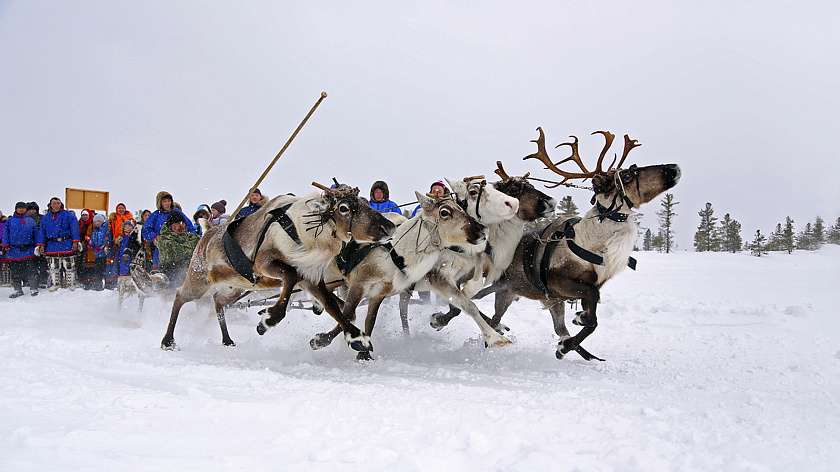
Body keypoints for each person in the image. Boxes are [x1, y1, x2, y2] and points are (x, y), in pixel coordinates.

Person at [135, 211, 200, 292]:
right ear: (170, 226)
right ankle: (151, 281)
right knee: (167, 277)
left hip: (191, 272)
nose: (181, 225)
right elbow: (176, 255)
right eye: (177, 223)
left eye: (183, 223)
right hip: (172, 271)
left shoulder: (193, 238)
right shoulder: (164, 239)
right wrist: (192, 249)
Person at [35, 197, 81, 291]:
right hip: (52, 245)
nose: (56, 205)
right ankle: (56, 284)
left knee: (69, 265)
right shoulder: (46, 217)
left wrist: (75, 241)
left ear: (61, 204)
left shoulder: (68, 215)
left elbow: (74, 229)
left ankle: (70, 284)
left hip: (67, 243)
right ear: (50, 205)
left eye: (57, 203)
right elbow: (42, 232)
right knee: (53, 266)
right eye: (54, 203)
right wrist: (41, 245)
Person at [141, 191, 195, 269]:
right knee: (159, 275)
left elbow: (191, 229)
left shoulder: (177, 213)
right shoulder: (155, 215)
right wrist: (155, 237)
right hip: (162, 252)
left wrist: (188, 240)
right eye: (164, 201)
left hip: (179, 251)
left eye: (169, 201)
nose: (167, 203)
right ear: (160, 203)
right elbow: (146, 230)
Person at [2, 202, 39, 297]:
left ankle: (33, 288)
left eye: (23, 208)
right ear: (16, 209)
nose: (21, 209)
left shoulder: (31, 221)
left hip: (28, 250)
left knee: (31, 271)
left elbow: (36, 235)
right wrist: (5, 245)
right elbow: (6, 234)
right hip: (13, 251)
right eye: (19, 208)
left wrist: (38, 246)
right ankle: (18, 290)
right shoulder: (10, 221)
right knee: (15, 272)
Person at [106, 203, 134, 288]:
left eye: (122, 208)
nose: (121, 210)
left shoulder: (130, 218)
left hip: (128, 244)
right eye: (119, 208)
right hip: (117, 244)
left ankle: (129, 280)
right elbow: (109, 231)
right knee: (118, 262)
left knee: (128, 261)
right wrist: (108, 243)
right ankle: (117, 281)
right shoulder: (113, 219)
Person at [26, 201, 47, 288]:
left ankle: (42, 280)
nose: (32, 211)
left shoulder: (42, 218)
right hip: (29, 244)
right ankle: (30, 281)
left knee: (42, 264)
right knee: (30, 265)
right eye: (30, 209)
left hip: (40, 243)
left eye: (34, 209)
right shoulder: (23, 219)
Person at [88, 213, 111, 290]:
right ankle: (97, 285)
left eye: (99, 221)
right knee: (97, 270)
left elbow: (105, 240)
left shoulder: (104, 230)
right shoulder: (94, 232)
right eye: (96, 221)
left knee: (104, 270)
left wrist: (100, 247)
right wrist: (90, 244)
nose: (97, 223)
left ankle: (107, 285)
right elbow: (92, 240)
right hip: (97, 255)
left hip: (104, 254)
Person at [78, 209, 96, 289]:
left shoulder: (92, 224)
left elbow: (92, 235)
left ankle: (91, 281)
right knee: (82, 264)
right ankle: (83, 281)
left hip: (91, 246)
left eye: (86, 215)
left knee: (91, 264)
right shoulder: (80, 224)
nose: (84, 217)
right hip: (82, 247)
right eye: (83, 215)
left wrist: (87, 241)